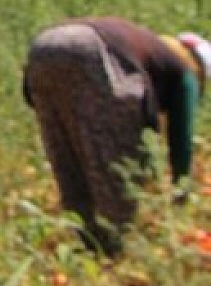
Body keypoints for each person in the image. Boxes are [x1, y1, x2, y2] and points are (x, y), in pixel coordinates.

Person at [22, 17, 210, 254]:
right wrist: (181, 190)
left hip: (43, 48)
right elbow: (181, 136)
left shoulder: (147, 48)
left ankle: (88, 251)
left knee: (72, 173)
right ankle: (115, 256)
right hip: (94, 53)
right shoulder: (185, 70)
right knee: (122, 183)